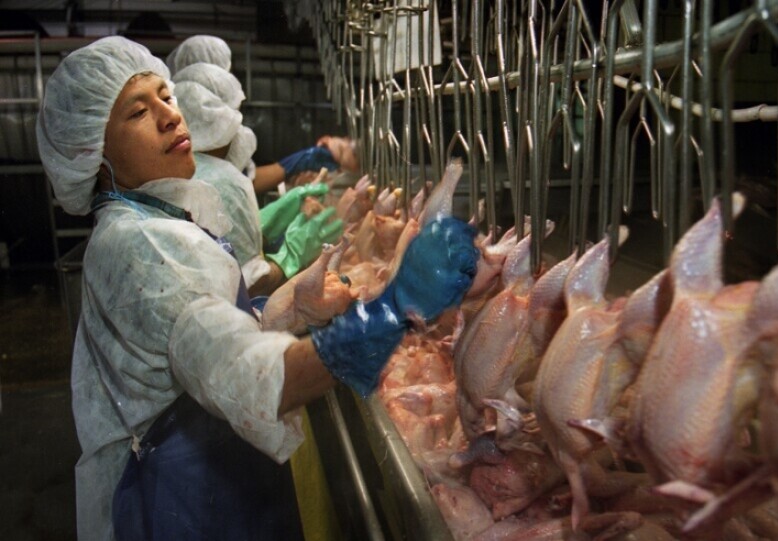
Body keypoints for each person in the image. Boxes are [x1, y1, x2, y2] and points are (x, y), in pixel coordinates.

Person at [37, 36, 478, 541]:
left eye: (165, 96)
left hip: (204, 479)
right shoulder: (141, 245)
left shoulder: (156, 216)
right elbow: (250, 378)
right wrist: (392, 310)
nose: (170, 116)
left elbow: (197, 337)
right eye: (138, 112)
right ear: (92, 154)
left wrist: (290, 309)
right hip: (180, 504)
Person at [171, 61, 341, 295]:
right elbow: (251, 285)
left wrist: (263, 224)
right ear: (218, 119)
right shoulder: (223, 181)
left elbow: (224, 245)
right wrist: (293, 252)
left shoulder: (180, 170)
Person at [166, 34, 356, 194]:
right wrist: (297, 164)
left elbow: (243, 179)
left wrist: (297, 163)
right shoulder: (188, 130)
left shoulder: (215, 131)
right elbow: (237, 184)